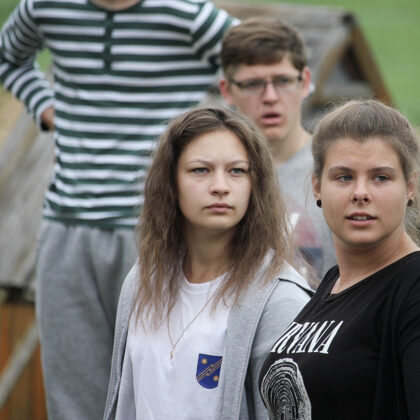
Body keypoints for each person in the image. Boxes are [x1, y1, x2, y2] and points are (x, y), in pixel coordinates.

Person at [0, 1, 236, 418]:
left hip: (157, 229)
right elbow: (8, 57)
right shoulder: (45, 7)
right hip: (66, 225)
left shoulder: (187, 13)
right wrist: (47, 110)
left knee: (160, 386)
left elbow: (258, 65)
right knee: (72, 392)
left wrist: (213, 140)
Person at [102, 106, 312, 420]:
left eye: (237, 171)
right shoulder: (143, 280)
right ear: (171, 181)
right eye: (201, 170)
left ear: (255, 183)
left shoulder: (281, 301)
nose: (220, 186)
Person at [259, 99, 420, 419]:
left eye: (381, 177)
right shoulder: (332, 282)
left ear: (410, 187)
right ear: (317, 186)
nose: (360, 193)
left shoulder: (412, 285)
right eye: (344, 177)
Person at [219, 17, 336, 282]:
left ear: (305, 82)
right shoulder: (214, 178)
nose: (270, 97)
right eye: (253, 84)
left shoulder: (338, 169)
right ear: (227, 90)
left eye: (283, 81)